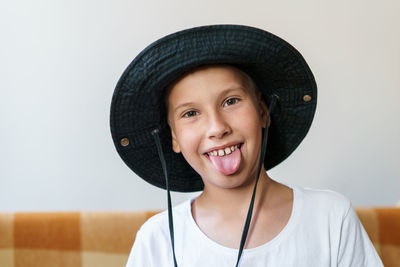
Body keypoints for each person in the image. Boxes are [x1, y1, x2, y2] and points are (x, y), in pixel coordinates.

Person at [110, 25, 383, 266]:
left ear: (263, 111)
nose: (217, 128)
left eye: (231, 101)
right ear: (173, 139)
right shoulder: (157, 240)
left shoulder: (330, 218)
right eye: (190, 113)